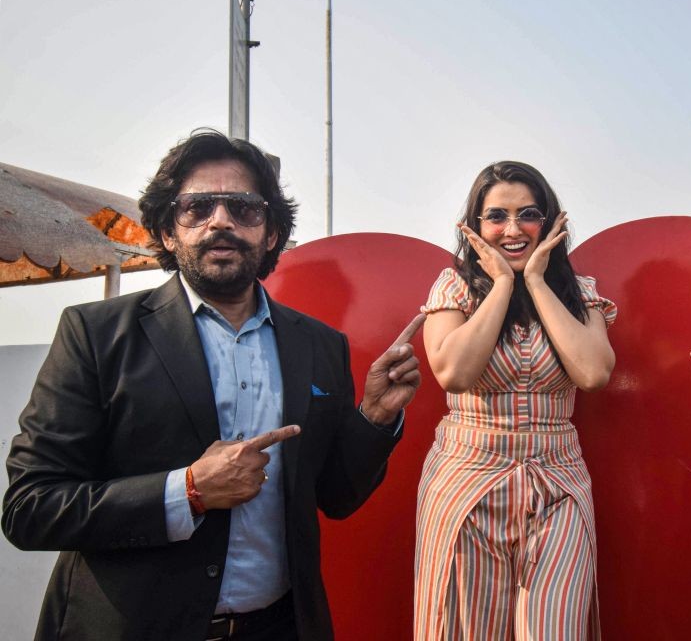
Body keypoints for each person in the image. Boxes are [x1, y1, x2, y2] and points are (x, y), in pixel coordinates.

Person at [2, 129, 423, 641]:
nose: (220, 221)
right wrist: (189, 491)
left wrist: (375, 416)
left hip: (279, 627)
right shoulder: (95, 334)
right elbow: (31, 508)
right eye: (197, 207)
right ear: (166, 231)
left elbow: (335, 496)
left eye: (244, 208)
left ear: (270, 233)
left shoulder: (318, 346)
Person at [413, 161, 616, 640]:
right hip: (467, 479)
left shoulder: (579, 293)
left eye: (527, 214)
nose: (512, 229)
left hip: (559, 481)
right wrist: (503, 284)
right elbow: (454, 374)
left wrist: (538, 283)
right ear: (474, 226)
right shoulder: (455, 287)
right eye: (495, 216)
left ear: (549, 221)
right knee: (467, 629)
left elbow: (593, 372)